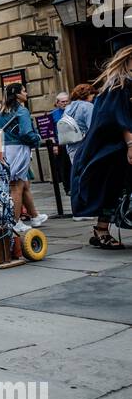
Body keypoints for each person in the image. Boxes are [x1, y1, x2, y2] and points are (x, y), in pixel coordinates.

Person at [71, 48, 132, 249]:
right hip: (116, 148)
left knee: (114, 187)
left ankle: (101, 229)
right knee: (111, 186)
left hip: (118, 148)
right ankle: (102, 230)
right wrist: (130, 144)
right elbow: (118, 117)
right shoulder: (118, 86)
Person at [0, 84, 45, 233]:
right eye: (24, 90)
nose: (26, 93)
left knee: (8, 186)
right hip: (17, 149)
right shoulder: (21, 110)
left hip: (1, 148)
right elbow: (26, 133)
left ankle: (14, 219)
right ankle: (16, 222)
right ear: (17, 94)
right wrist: (37, 138)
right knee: (17, 186)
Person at [50, 91, 72, 195]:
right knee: (64, 166)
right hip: (60, 144)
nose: (65, 103)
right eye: (62, 102)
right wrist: (54, 145)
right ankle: (67, 188)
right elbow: (50, 131)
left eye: (67, 101)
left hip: (73, 141)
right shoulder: (53, 114)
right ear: (57, 103)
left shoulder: (73, 110)